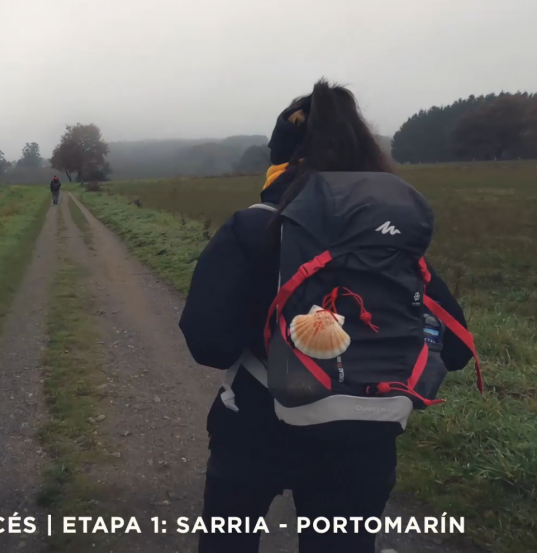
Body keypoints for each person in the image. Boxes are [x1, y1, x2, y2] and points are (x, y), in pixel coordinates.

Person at [179, 80, 475, 553]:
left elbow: (207, 344)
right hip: (363, 441)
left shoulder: (252, 226)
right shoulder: (390, 240)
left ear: (281, 159)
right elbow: (455, 348)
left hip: (255, 430)